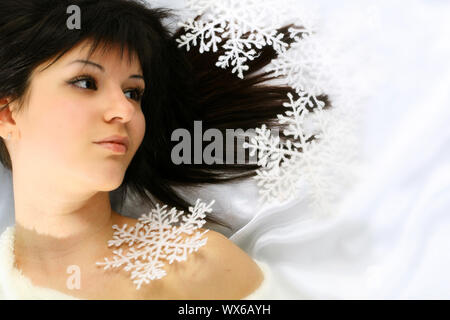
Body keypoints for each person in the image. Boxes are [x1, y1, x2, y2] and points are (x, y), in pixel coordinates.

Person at [0, 0, 304, 299]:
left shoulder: (196, 266)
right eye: (86, 82)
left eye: (134, 93)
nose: (126, 110)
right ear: (7, 114)